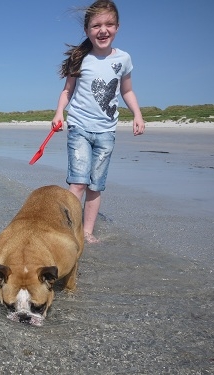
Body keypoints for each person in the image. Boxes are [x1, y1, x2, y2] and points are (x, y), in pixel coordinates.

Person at [51, 0, 145, 244]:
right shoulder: (80, 58)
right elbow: (67, 91)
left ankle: (87, 232)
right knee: (78, 183)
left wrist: (137, 114)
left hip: (106, 132)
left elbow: (127, 91)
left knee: (95, 186)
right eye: (96, 25)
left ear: (117, 27)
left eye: (109, 24)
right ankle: (69, 231)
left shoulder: (123, 59)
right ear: (87, 30)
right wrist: (59, 113)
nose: (103, 30)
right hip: (79, 128)